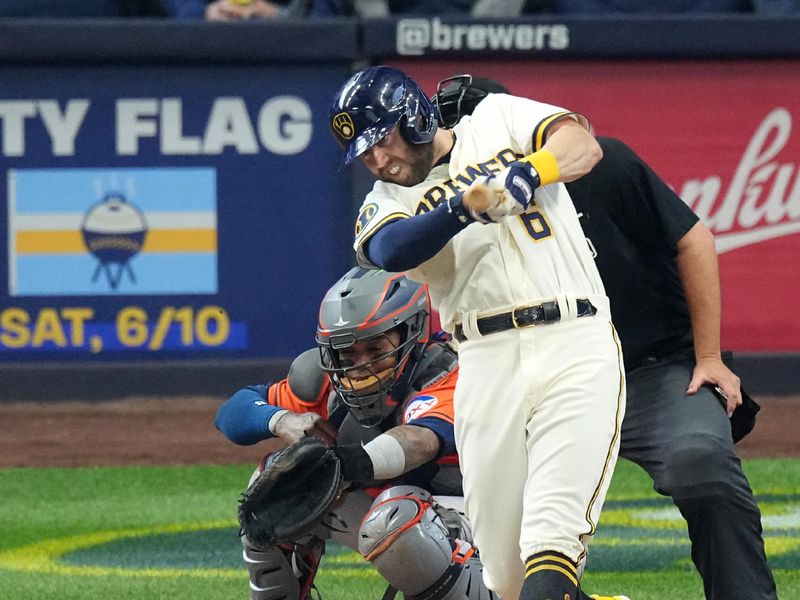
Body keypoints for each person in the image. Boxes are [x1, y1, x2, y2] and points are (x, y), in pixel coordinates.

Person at [436, 74, 778, 600]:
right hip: (524, 376)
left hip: (649, 371)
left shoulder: (600, 166)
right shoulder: (451, 206)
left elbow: (694, 241)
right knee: (463, 505)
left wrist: (708, 356)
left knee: (700, 464)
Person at [329, 65, 626, 600]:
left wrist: (529, 172)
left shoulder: (496, 119)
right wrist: (461, 207)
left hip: (574, 341)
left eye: (383, 139)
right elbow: (391, 250)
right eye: (365, 154)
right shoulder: (385, 200)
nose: (378, 159)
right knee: (506, 578)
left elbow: (581, 145)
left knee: (551, 541)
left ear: (414, 116)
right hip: (485, 362)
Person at [216, 267, 500, 600]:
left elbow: (420, 441)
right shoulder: (325, 382)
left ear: (412, 332)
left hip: (491, 522)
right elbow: (232, 413)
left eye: (376, 350)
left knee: (398, 520)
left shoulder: (454, 372)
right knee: (277, 487)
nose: (360, 365)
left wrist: (340, 466)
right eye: (347, 354)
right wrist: (280, 419)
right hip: (404, 514)